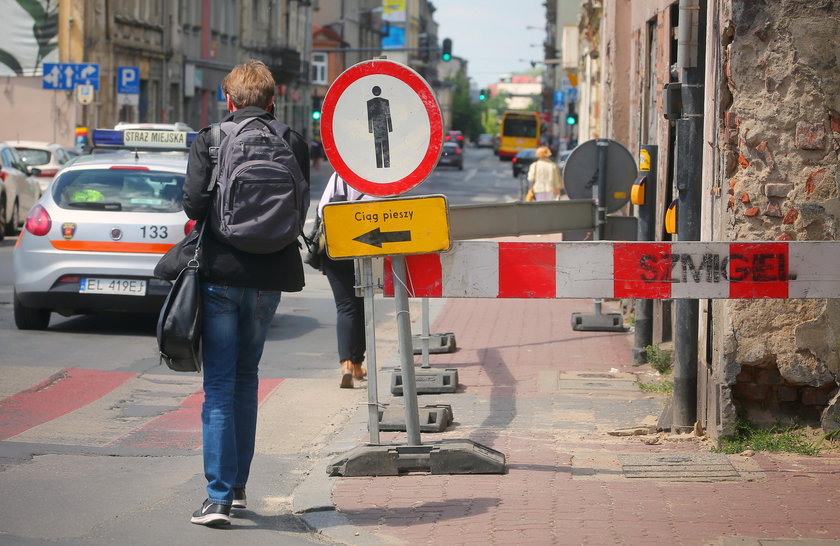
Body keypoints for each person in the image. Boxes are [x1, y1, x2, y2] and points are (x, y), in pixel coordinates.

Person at [182, 59, 310, 527]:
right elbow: (301, 204)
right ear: (273, 101)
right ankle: (236, 490)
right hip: (269, 277)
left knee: (217, 386)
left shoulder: (211, 140)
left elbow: (194, 204)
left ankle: (215, 499)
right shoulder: (292, 141)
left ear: (229, 100)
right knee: (245, 380)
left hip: (220, 273)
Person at [315, 172, 371, 388]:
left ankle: (348, 364)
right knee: (363, 306)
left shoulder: (339, 176)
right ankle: (357, 364)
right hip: (368, 249)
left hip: (337, 249)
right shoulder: (380, 179)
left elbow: (322, 209)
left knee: (346, 308)